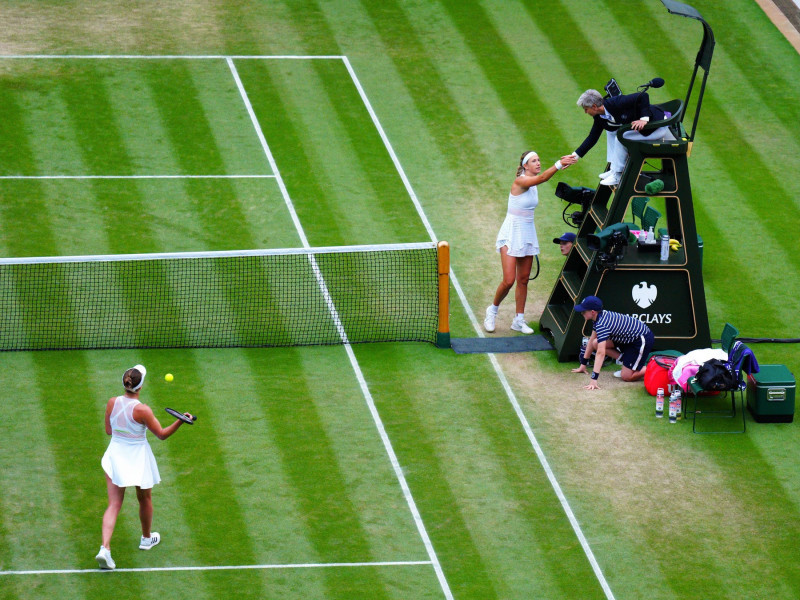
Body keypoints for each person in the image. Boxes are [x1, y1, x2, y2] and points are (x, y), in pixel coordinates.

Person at [96, 365, 194, 570]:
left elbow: (108, 430)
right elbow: (161, 434)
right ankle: (146, 538)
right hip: (138, 458)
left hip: (115, 455)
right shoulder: (143, 410)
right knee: (144, 498)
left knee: (114, 504)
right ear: (141, 386)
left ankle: (104, 549)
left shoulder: (112, 402)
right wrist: (181, 421)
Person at [484, 151, 576, 334]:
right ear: (525, 166)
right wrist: (558, 164)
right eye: (534, 161)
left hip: (527, 233)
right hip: (511, 233)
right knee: (509, 280)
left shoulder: (532, 183)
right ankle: (492, 311)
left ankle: (518, 320)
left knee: (523, 280)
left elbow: (540, 178)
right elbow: (542, 178)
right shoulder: (521, 181)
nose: (538, 163)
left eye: (539, 160)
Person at [569, 89, 675, 186]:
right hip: (644, 129)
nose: (585, 112)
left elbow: (644, 96)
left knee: (621, 137)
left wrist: (644, 119)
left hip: (657, 127)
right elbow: (593, 137)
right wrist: (575, 156)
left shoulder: (616, 102)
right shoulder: (600, 116)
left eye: (586, 109)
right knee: (611, 132)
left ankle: (618, 175)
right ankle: (613, 169)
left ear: (594, 107)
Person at [570, 296, 654, 390]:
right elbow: (591, 341)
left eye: (583, 311)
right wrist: (583, 365)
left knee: (626, 377)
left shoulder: (602, 324)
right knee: (595, 343)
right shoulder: (598, 317)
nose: (581, 313)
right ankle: (627, 362)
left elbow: (601, 353)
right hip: (627, 338)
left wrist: (594, 379)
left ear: (593, 312)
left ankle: (653, 367)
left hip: (641, 340)